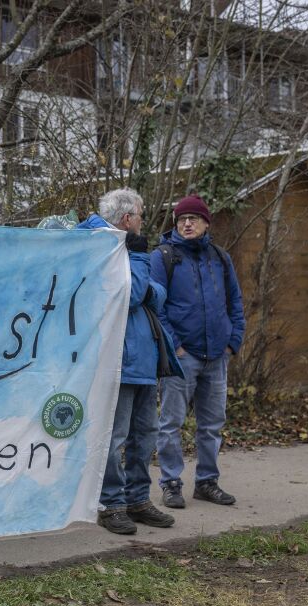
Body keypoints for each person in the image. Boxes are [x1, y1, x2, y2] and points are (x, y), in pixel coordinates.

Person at [75, 189, 182, 535]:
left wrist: (145, 283)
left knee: (145, 435)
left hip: (143, 360)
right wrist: (138, 261)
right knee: (114, 436)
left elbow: (156, 295)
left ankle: (138, 500)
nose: (142, 221)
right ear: (126, 220)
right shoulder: (100, 247)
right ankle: (112, 503)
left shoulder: (127, 251)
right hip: (117, 360)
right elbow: (132, 295)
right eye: (139, 215)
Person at [151, 195, 246, 508]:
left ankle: (207, 482)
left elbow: (235, 301)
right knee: (170, 423)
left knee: (212, 425)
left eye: (193, 218)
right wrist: (174, 345)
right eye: (181, 219)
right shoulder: (163, 256)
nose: (187, 224)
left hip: (217, 356)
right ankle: (171, 483)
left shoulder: (220, 258)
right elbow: (156, 307)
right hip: (183, 357)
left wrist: (233, 341)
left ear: (206, 223)